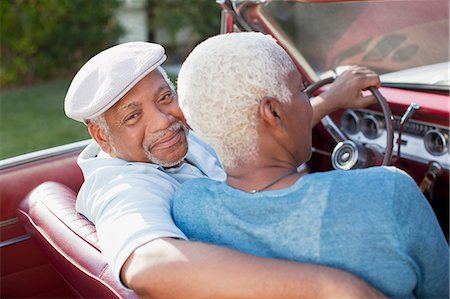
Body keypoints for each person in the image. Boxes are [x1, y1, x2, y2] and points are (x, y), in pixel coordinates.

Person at [64, 41, 386, 298]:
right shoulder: (119, 186)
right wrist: (328, 287)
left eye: (165, 96)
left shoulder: (174, 140)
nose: (164, 120)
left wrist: (330, 100)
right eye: (133, 116)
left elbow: (260, 131)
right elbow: (148, 266)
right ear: (101, 136)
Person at [173, 32, 450, 299]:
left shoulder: (188, 206)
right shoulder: (388, 191)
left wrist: (329, 101)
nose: (307, 102)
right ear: (273, 112)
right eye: (301, 91)